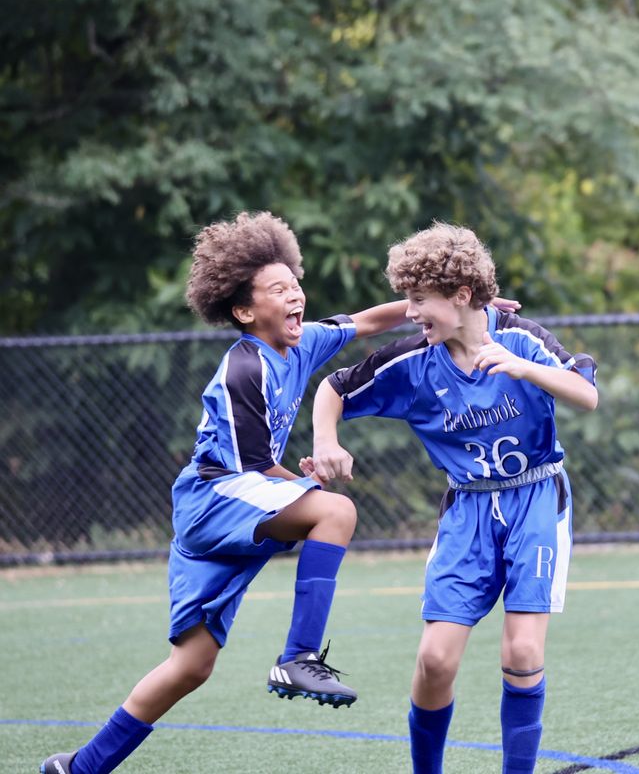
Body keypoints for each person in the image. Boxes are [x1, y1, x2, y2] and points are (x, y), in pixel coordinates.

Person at [39, 211, 412, 774]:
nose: (295, 295)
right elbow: (251, 468)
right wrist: (306, 484)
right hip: (214, 501)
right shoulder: (244, 370)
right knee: (336, 512)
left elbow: (365, 321)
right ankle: (298, 658)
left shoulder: (302, 343)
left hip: (234, 498)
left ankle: (78, 768)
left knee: (190, 666)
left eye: (294, 284)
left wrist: (437, 307)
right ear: (243, 311)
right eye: (277, 289)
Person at [310, 221, 598, 774]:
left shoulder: (521, 339)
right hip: (468, 509)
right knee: (436, 660)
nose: (410, 311)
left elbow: (586, 393)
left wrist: (525, 368)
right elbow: (334, 389)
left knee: (522, 652)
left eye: (420, 299)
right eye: (407, 298)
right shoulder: (413, 361)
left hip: (537, 499)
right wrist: (326, 441)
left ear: (462, 295)